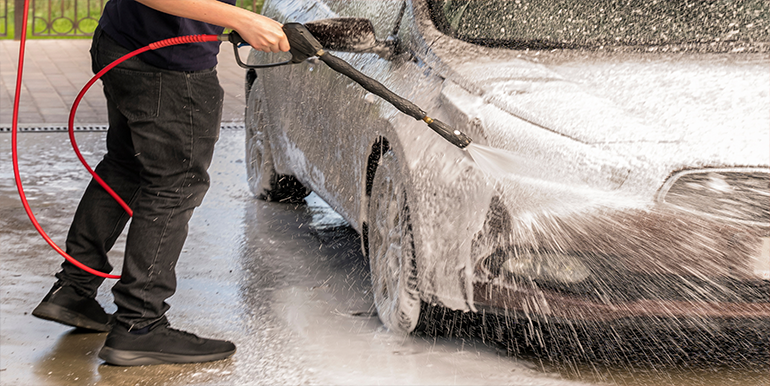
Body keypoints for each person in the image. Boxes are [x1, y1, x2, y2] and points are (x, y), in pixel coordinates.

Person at [31, 0, 289, 366]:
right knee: (176, 184)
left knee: (127, 166)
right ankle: (140, 325)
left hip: (125, 42)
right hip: (166, 65)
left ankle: (74, 288)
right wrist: (242, 19)